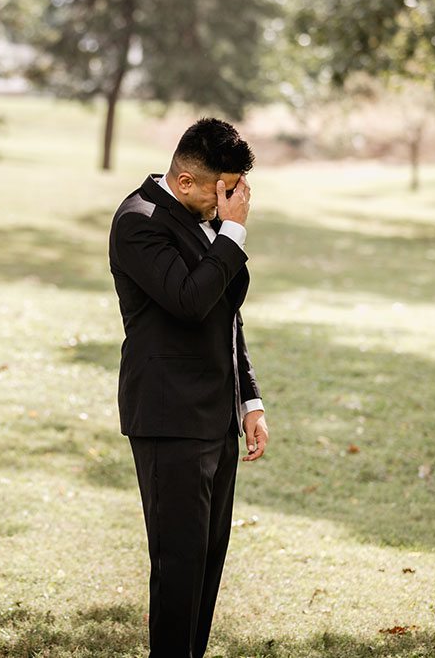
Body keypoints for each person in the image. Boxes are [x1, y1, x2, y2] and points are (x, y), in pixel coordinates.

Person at [108, 118, 270, 657]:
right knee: (177, 569)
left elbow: (226, 312)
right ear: (185, 181)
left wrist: (249, 398)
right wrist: (234, 232)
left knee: (206, 565)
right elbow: (188, 299)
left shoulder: (204, 220)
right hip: (169, 417)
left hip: (216, 417)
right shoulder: (139, 222)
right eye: (223, 190)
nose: (231, 202)